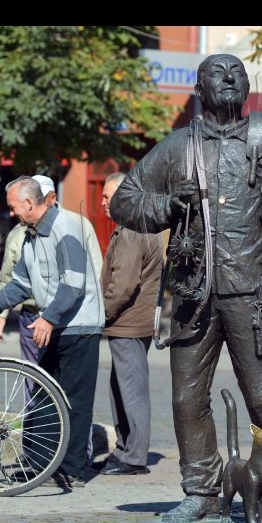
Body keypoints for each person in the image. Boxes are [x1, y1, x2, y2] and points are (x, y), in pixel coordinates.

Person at [110, 54, 262, 523]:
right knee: (187, 399)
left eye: (236, 73)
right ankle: (201, 490)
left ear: (246, 87)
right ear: (200, 89)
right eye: (216, 73)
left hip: (251, 293)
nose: (228, 78)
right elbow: (124, 200)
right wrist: (166, 204)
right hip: (192, 295)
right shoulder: (177, 147)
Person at [0, 176, 105, 488]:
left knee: (74, 401)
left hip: (78, 327)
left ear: (29, 203)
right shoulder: (30, 234)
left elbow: (73, 283)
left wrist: (48, 318)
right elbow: (22, 283)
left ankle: (72, 470)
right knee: (44, 396)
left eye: (14, 207)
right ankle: (40, 464)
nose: (11, 213)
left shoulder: (65, 227)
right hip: (52, 324)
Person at [93, 172, 164, 475]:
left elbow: (123, 285)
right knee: (120, 388)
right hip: (127, 323)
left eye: (109, 196)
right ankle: (124, 449)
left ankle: (133, 457)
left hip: (129, 323)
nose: (103, 202)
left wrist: (100, 315)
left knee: (131, 390)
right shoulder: (132, 226)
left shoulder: (134, 229)